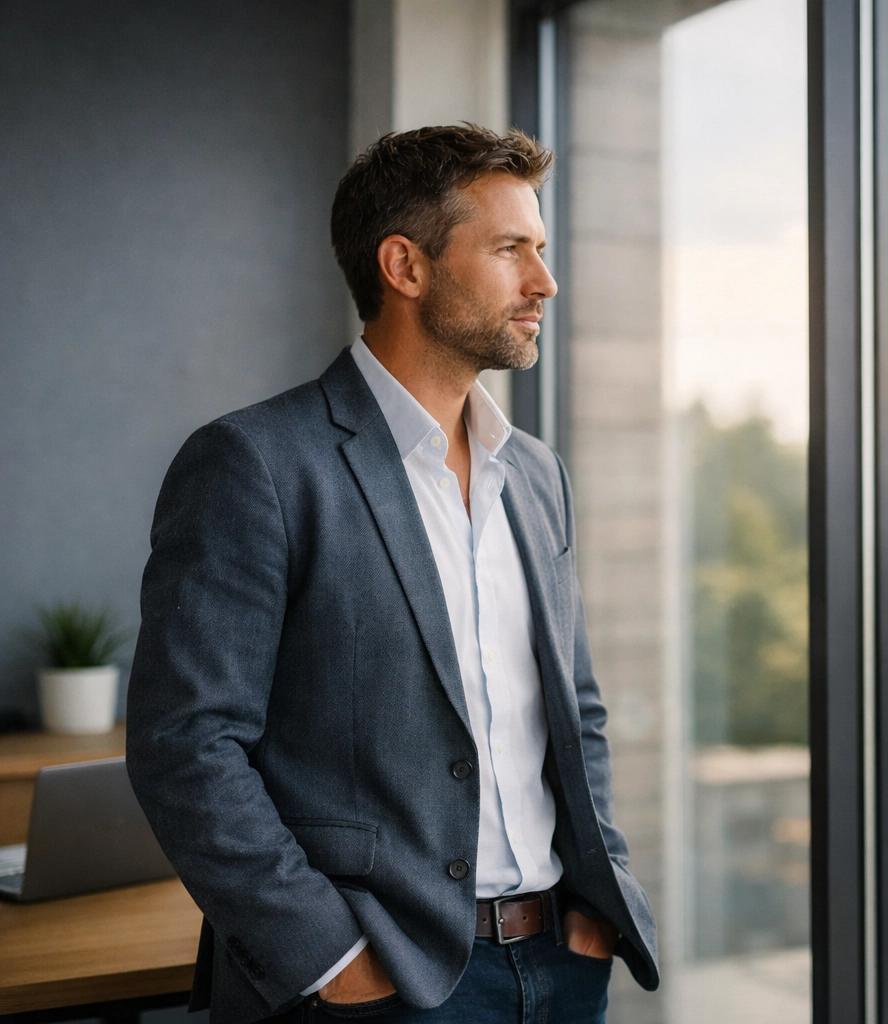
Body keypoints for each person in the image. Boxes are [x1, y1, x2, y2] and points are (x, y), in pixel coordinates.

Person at [126, 125, 656, 1024]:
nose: (544, 282)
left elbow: (578, 710)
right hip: (379, 986)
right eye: (509, 250)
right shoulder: (255, 464)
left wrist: (597, 912)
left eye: (542, 249)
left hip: (560, 966)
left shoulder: (536, 474)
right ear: (404, 267)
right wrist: (329, 957)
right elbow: (188, 744)